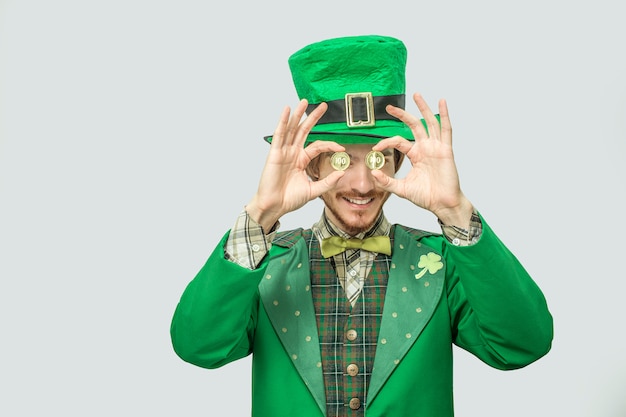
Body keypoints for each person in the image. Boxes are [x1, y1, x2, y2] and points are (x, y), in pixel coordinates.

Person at [170, 35, 553, 417]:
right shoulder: (263, 265)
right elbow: (198, 346)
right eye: (340, 160)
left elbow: (522, 344)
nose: (362, 184)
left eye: (377, 158)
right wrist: (262, 214)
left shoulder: (444, 265)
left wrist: (455, 211)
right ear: (312, 164)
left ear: (398, 160)